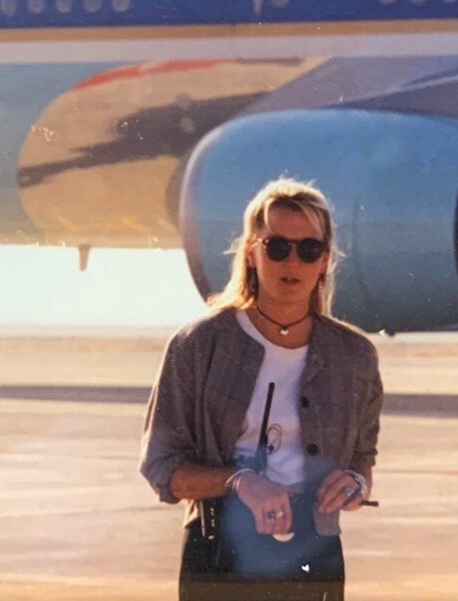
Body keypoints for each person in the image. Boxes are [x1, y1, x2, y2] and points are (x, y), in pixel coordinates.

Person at [140, 178, 383, 600]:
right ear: (251, 252)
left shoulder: (354, 356)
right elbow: (162, 468)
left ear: (324, 260)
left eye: (308, 250)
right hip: (218, 554)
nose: (292, 262)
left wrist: (354, 485)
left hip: (315, 557)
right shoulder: (198, 345)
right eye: (277, 247)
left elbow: (362, 463)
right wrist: (240, 481)